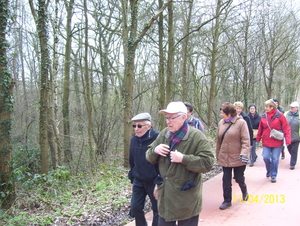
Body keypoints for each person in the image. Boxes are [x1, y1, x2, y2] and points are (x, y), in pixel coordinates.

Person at [146, 101, 214, 226]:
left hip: (186, 199)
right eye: (167, 118)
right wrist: (155, 150)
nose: (168, 121)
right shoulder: (164, 134)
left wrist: (184, 159)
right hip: (166, 198)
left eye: (172, 118)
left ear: (184, 117)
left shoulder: (196, 136)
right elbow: (149, 156)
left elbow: (208, 162)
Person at [216, 102, 250, 210]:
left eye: (223, 112)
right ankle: (227, 201)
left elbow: (246, 141)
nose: (221, 114)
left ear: (229, 114)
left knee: (239, 178)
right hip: (225, 156)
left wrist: (243, 155)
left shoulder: (241, 123)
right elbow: (218, 141)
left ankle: (244, 191)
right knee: (226, 179)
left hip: (238, 157)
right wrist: (218, 154)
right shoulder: (221, 123)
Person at [128, 112, 159, 226]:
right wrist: (132, 179)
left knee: (157, 210)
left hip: (154, 180)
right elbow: (132, 161)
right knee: (135, 208)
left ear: (149, 126)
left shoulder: (158, 138)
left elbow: (163, 163)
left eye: (139, 126)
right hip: (138, 180)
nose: (136, 129)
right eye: (134, 126)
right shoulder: (133, 140)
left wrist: (159, 182)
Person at [256, 99, 291, 183]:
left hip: (277, 141)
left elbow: (286, 128)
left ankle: (273, 175)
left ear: (272, 107)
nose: (265, 108)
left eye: (267, 107)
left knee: (275, 159)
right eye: (265, 106)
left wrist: (288, 140)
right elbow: (260, 128)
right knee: (266, 157)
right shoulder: (264, 116)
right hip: (266, 141)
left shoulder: (280, 116)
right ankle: (269, 169)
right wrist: (257, 139)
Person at [284, 101, 300, 170]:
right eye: (290, 107)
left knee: (294, 150)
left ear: (297, 108)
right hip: (288, 136)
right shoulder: (286, 114)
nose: (291, 108)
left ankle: (292, 164)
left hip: (297, 136)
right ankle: (293, 157)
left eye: (293, 107)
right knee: (289, 149)